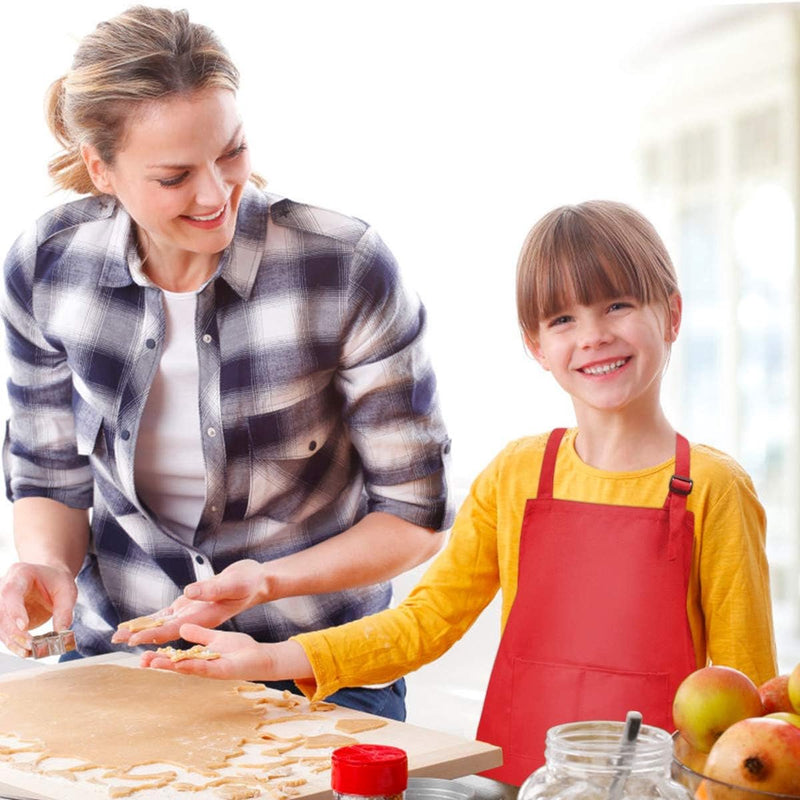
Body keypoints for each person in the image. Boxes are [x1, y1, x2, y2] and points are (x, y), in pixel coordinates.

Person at [140, 200, 778, 784]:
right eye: (563, 318)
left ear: (671, 314)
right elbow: (426, 624)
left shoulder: (714, 490)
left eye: (617, 306)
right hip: (523, 779)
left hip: (656, 788)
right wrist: (271, 658)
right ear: (536, 346)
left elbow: (748, 699)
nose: (593, 336)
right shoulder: (517, 474)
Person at [0, 5, 453, 721]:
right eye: (175, 175)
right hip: (122, 668)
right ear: (101, 168)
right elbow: (50, 476)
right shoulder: (48, 267)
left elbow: (416, 517)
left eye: (231, 153)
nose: (217, 195)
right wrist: (46, 568)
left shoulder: (342, 267)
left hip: (317, 672)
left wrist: (266, 583)